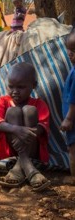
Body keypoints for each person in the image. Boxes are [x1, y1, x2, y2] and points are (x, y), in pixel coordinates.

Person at [0, 62, 51, 192]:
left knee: (30, 110)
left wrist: (29, 131)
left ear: (33, 86)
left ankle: (19, 167)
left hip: (32, 149)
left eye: (21, 87)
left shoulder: (39, 104)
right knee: (13, 112)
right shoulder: (3, 101)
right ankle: (28, 167)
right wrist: (17, 129)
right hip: (9, 150)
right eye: (11, 87)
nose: (14, 92)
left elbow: (43, 127)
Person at [60, 28, 75, 178]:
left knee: (73, 151)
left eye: (74, 51)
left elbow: (73, 98)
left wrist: (69, 118)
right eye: (69, 50)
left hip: (73, 121)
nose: (70, 54)